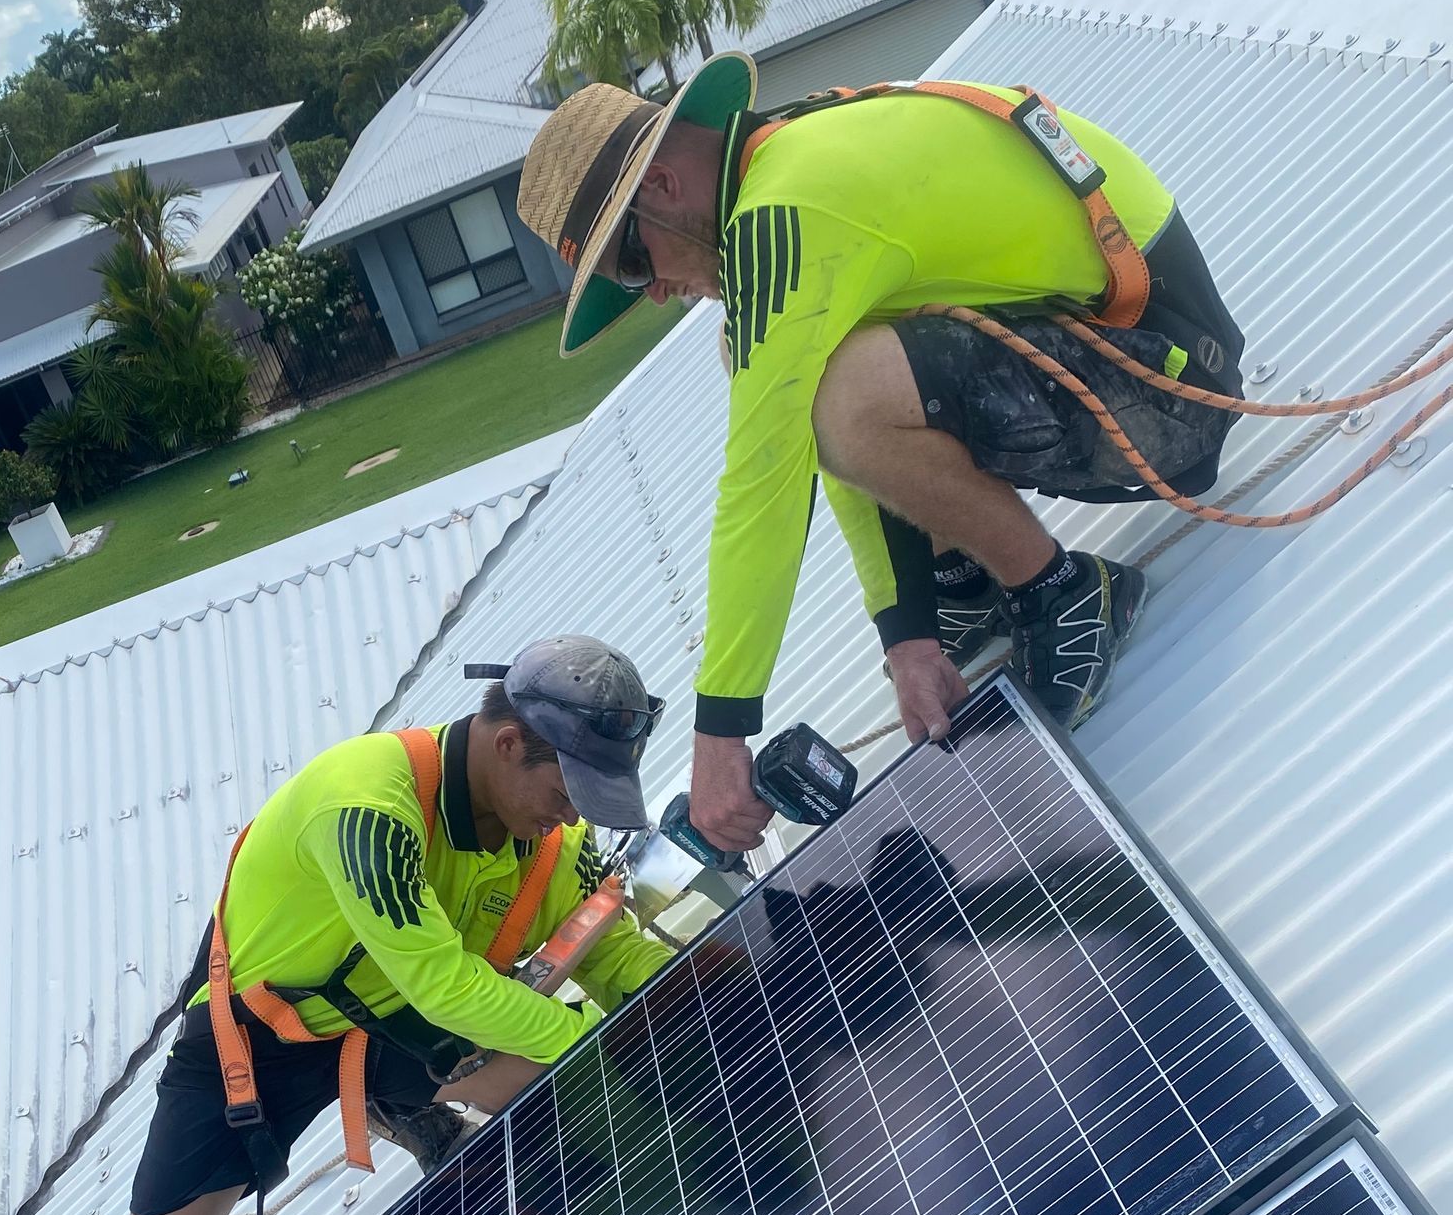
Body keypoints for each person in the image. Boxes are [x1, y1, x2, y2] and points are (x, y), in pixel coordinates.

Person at [27, 636, 675, 1215]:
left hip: (400, 1027)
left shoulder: (549, 842)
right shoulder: (365, 803)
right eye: (567, 790)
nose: (571, 817)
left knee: (569, 1096)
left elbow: (609, 954)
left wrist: (701, 1003)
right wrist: (592, 1044)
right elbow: (446, 986)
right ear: (505, 746)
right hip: (263, 1040)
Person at [515, 55, 1245, 853]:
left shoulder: (783, 212)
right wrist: (909, 635)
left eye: (630, 264)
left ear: (659, 186)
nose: (650, 293)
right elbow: (820, 433)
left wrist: (720, 734)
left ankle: (1064, 593)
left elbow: (767, 476)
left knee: (827, 399)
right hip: (1124, 351)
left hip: (1173, 384)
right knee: (776, 364)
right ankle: (963, 580)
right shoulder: (787, 150)